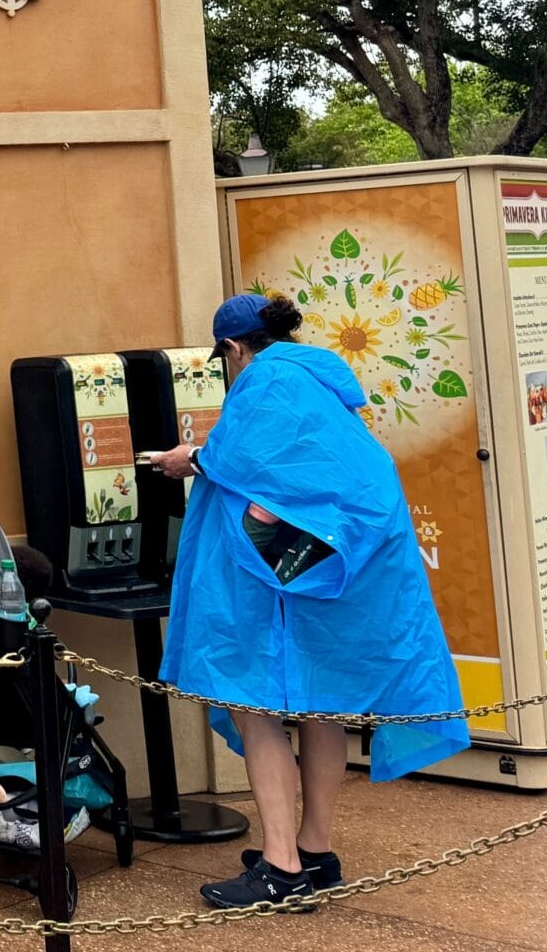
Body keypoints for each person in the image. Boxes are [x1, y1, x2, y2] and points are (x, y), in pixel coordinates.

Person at [144, 293, 468, 909]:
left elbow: (240, 460)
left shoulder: (265, 379)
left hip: (274, 580)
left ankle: (280, 866)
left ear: (233, 349)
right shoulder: (320, 377)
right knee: (323, 702)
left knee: (252, 702)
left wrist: (189, 458)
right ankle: (315, 849)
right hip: (339, 568)